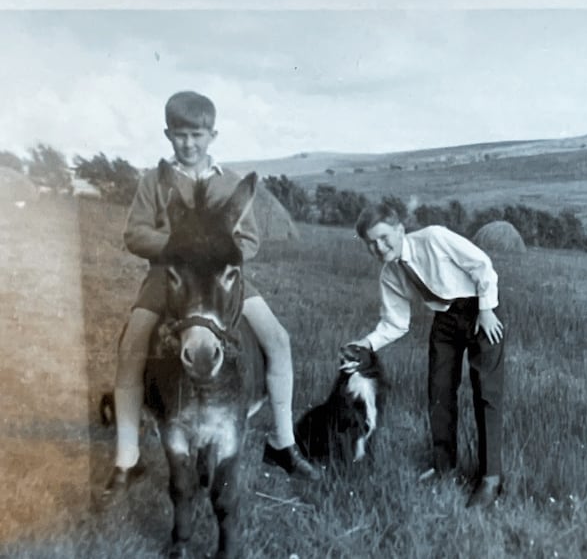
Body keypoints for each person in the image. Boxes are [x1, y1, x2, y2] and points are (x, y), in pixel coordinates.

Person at [103, 91, 319, 500]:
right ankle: (127, 457)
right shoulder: (154, 181)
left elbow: (249, 240)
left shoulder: (230, 182)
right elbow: (134, 233)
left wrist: (217, 255)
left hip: (222, 281)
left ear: (212, 135)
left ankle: (283, 442)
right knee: (132, 344)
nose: (188, 143)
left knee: (278, 339)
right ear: (168, 134)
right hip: (170, 278)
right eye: (180, 134)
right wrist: (178, 248)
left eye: (197, 135)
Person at [347, 204, 506, 508]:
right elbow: (395, 323)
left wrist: (486, 310)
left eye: (384, 238)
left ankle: (490, 479)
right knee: (439, 391)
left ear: (400, 230)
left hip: (481, 309)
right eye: (371, 243)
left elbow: (482, 264)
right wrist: (364, 344)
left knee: (487, 393)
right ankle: (444, 467)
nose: (379, 248)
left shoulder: (434, 238)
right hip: (445, 319)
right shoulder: (390, 274)